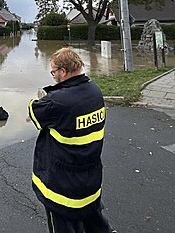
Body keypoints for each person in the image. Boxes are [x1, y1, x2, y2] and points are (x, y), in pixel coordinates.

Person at [28, 48, 114, 233]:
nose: (53, 76)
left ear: (63, 71)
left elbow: (34, 112)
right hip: (90, 182)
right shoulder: (95, 91)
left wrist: (44, 97)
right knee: (95, 223)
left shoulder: (57, 102)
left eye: (54, 72)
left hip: (61, 189)